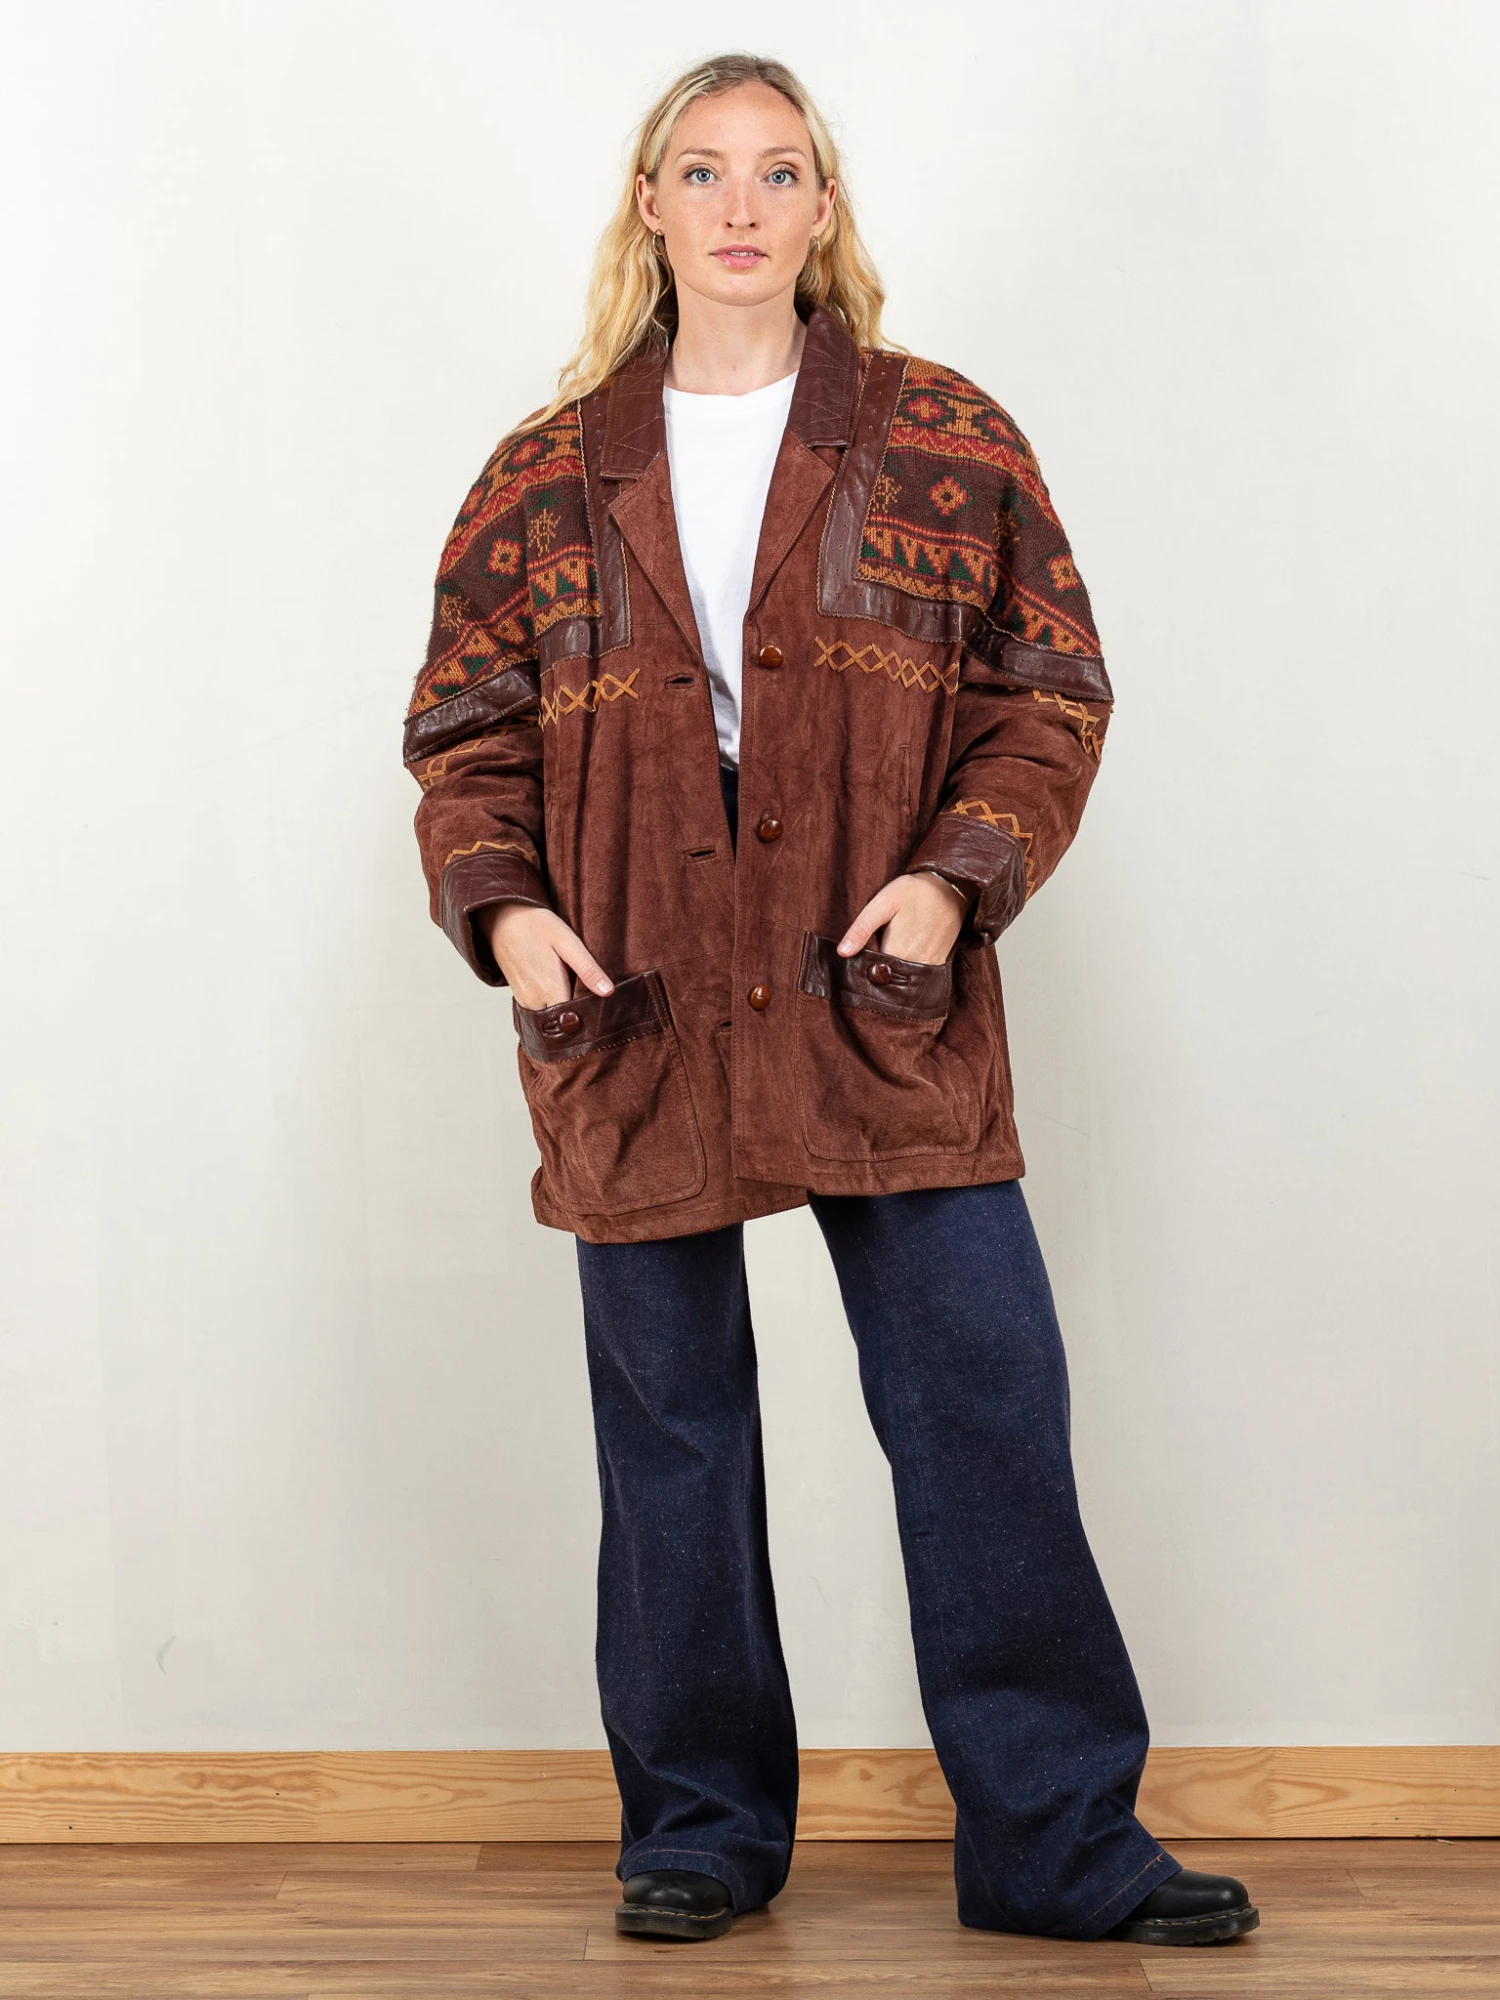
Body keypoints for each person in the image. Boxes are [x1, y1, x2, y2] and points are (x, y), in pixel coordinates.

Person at [402, 51, 1258, 1952]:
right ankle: (702, 1828)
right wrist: (507, 914)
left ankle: (1057, 1842)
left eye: (777, 172)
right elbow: (464, 735)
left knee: (982, 1404)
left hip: (881, 987)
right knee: (674, 1434)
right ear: (650, 205)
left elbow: (1049, 687)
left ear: (822, 207)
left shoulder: (941, 434)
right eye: (702, 171)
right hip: (633, 994)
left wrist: (956, 880)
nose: (739, 206)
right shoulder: (548, 472)